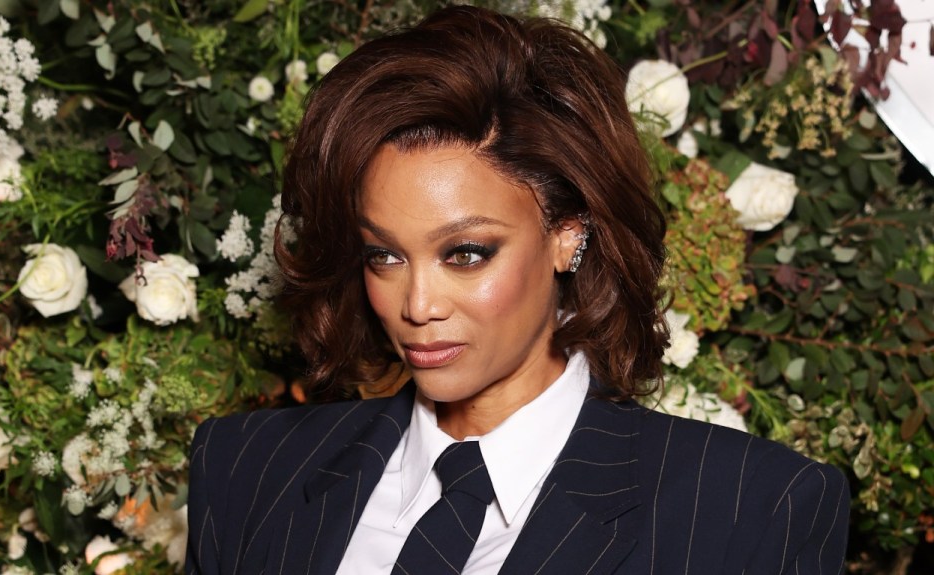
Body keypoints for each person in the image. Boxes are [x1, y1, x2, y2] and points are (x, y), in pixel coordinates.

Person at [186, 5, 849, 574]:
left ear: (567, 234)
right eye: (383, 254)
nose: (418, 305)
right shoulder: (247, 467)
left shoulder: (750, 508)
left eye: (466, 253)